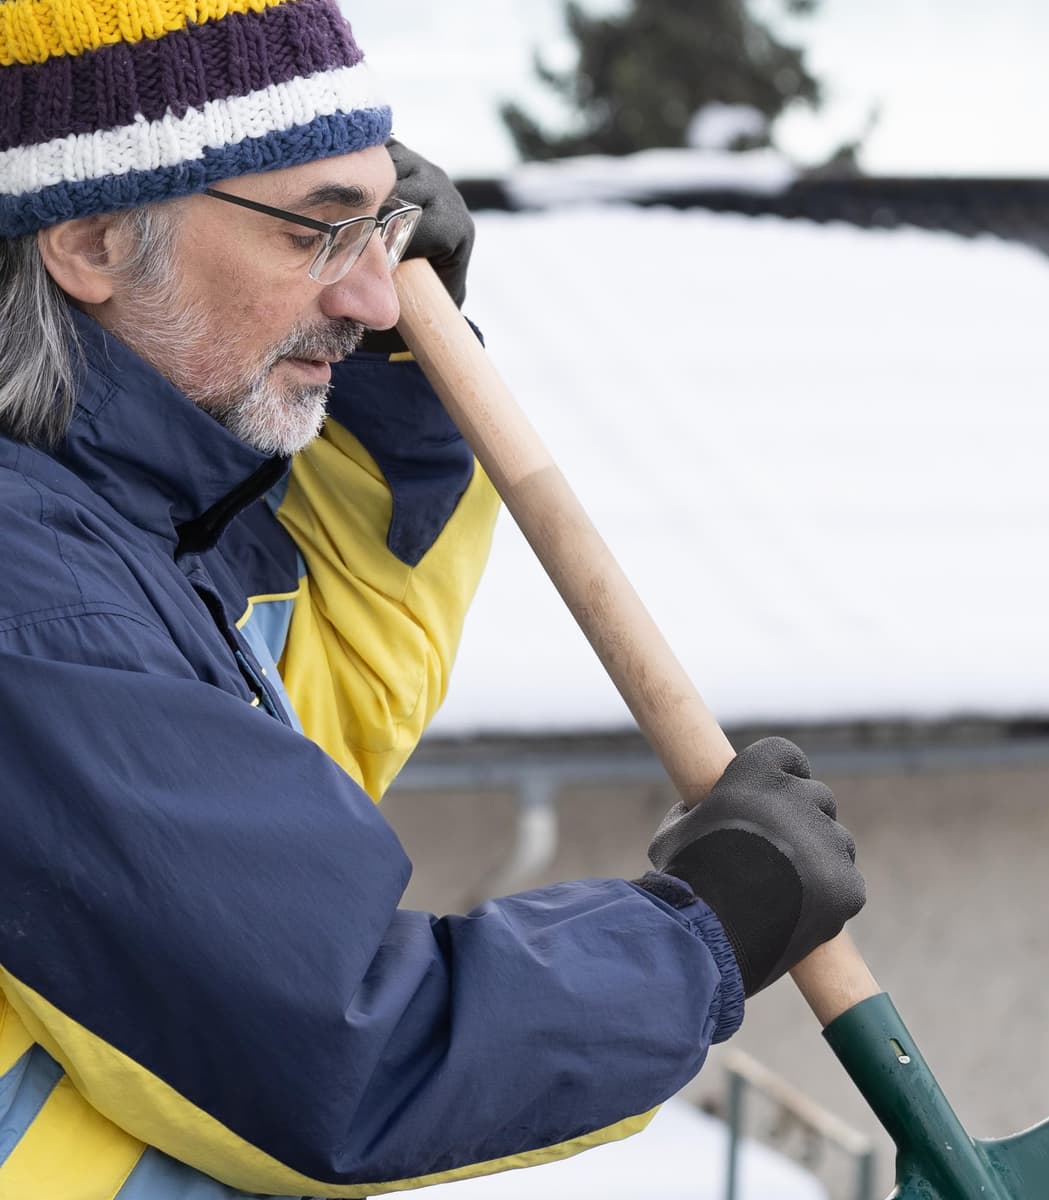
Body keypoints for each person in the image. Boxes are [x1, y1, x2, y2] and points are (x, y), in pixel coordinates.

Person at [0, 2, 866, 1198]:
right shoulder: (34, 604)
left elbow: (325, 712)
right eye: (319, 230)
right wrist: (696, 935)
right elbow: (341, 1044)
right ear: (90, 240)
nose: (374, 294)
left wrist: (396, 407)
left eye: (383, 219)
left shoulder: (132, 524)